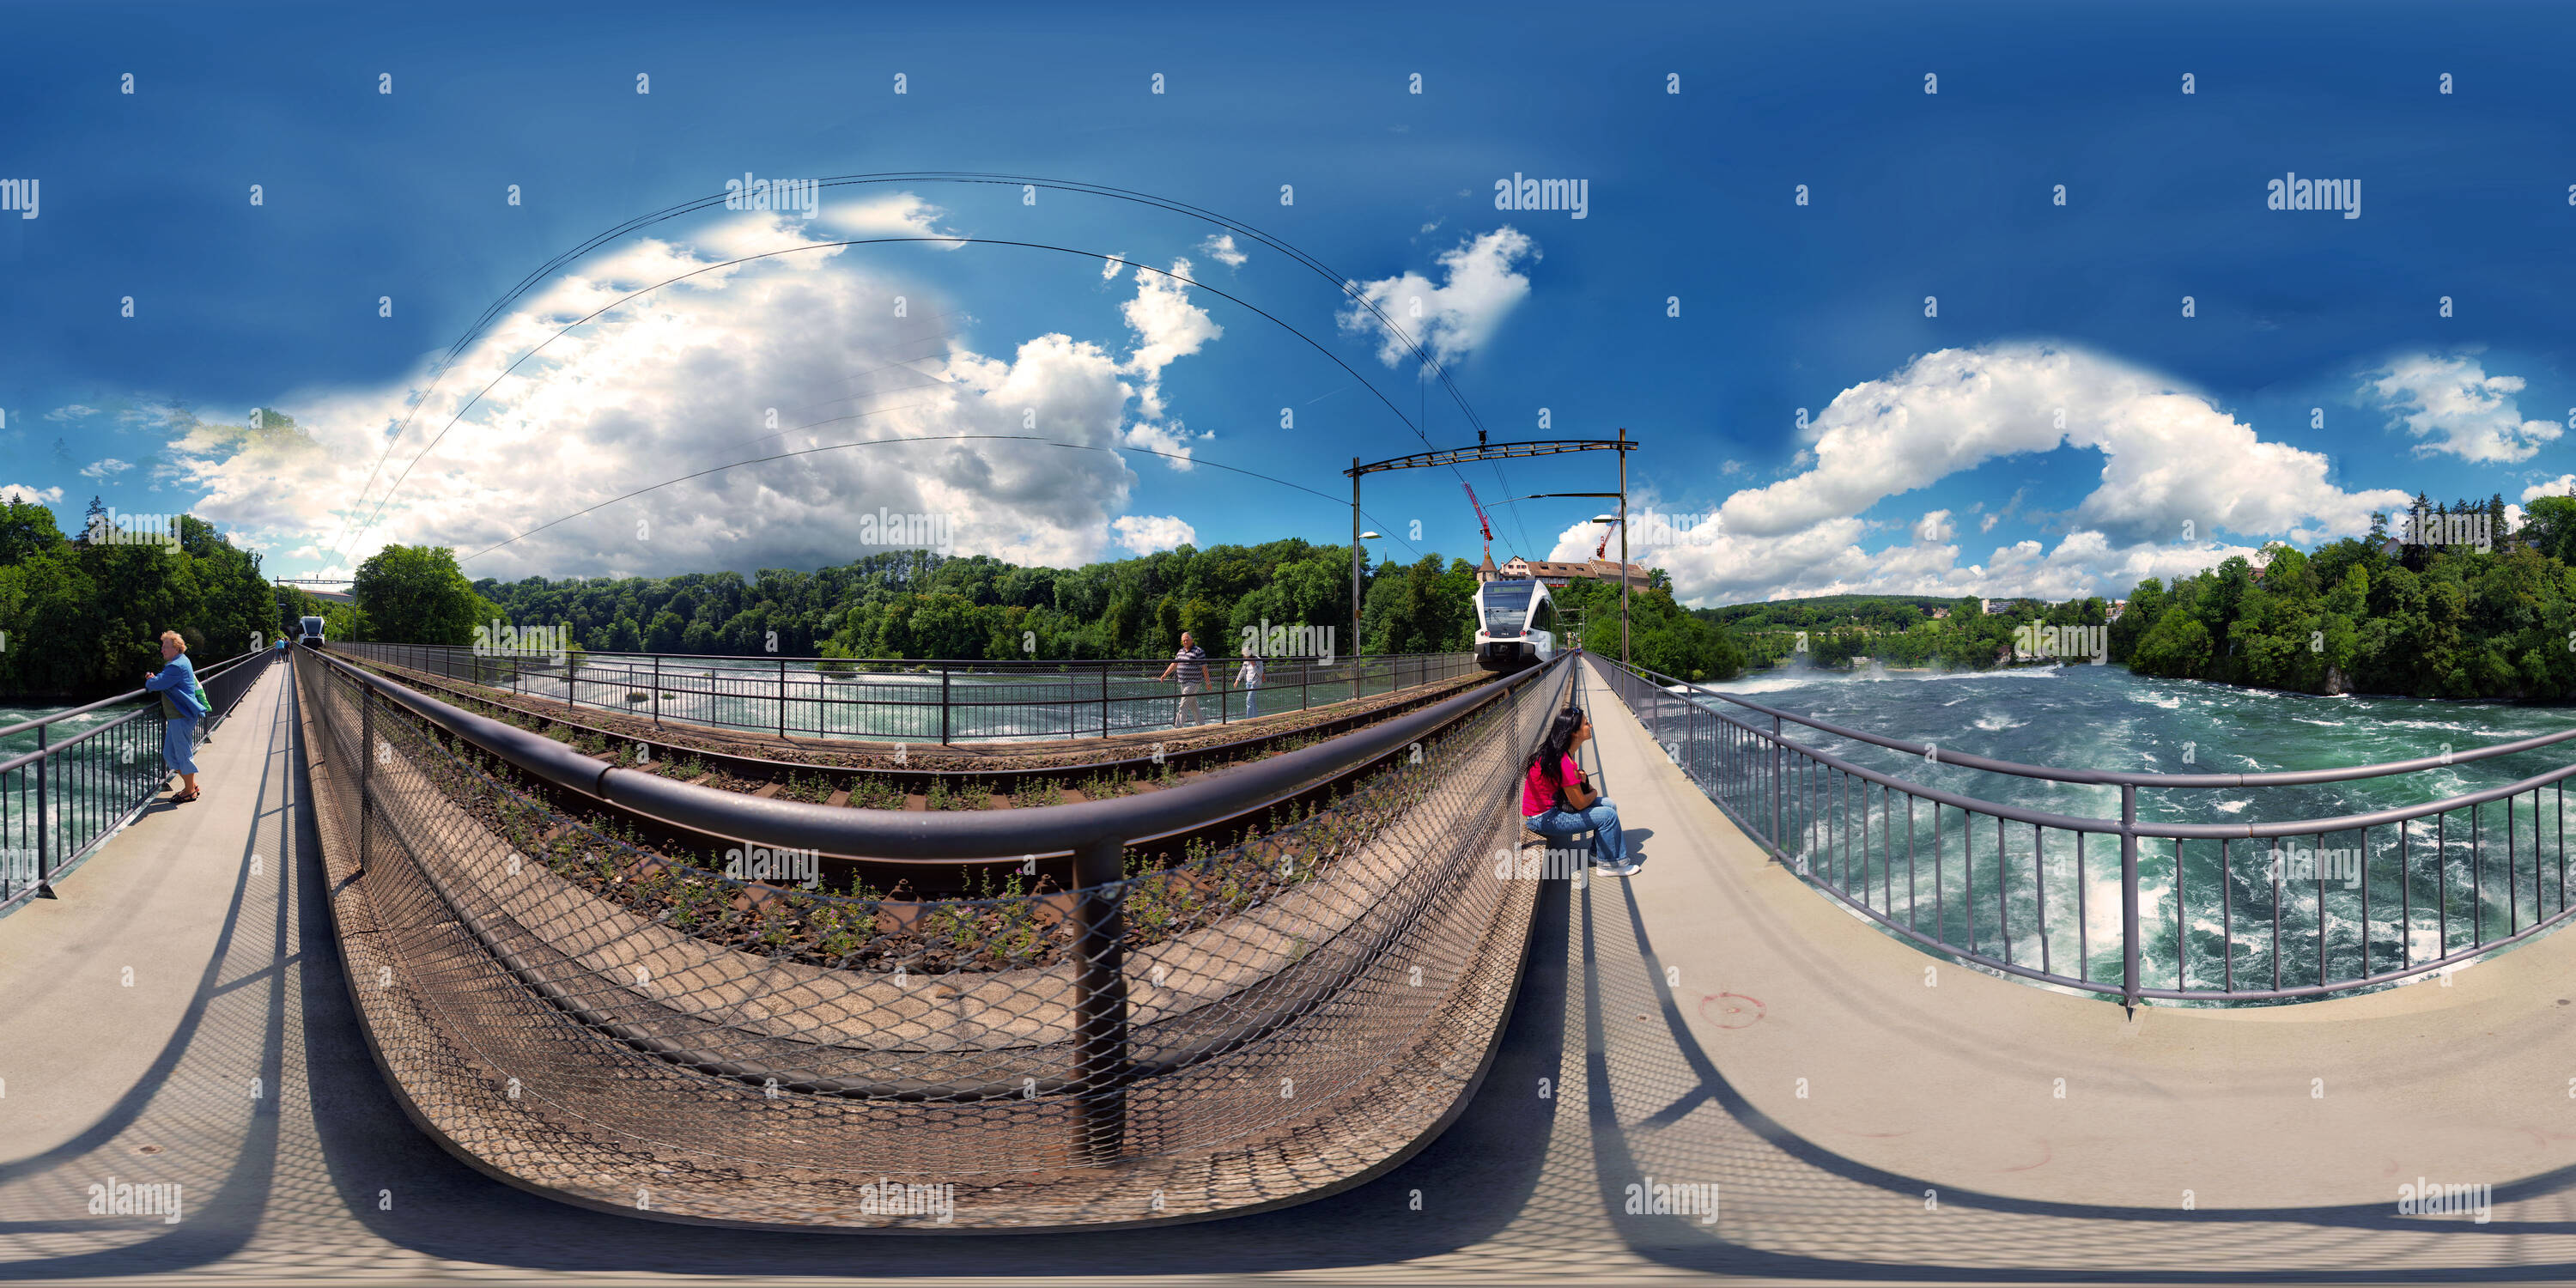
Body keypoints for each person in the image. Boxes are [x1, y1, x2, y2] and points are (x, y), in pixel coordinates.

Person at [1523, 705, 1635, 876]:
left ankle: (1597, 854)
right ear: (1574, 732)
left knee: (1609, 805)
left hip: (1551, 808)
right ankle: (1611, 865)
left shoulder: (1561, 753)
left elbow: (1575, 790)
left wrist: (1583, 783)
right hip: (1542, 819)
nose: (1590, 726)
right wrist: (1594, 792)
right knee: (1608, 816)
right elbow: (1581, 803)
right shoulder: (1564, 762)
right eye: (1586, 724)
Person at [143, 629, 209, 804]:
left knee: (182, 754)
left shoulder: (176, 666)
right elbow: (165, 680)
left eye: (165, 647)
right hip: (177, 716)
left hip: (181, 715)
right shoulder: (180, 662)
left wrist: (150, 679)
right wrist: (157, 680)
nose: (162, 650)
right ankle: (191, 785)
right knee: (169, 754)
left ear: (176, 648)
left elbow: (157, 683)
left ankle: (189, 791)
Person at [1157, 632, 1212, 728]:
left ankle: (1177, 728)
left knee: (1183, 705)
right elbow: (1174, 664)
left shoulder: (1198, 651)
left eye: (1187, 640)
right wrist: (1165, 674)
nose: (1185, 642)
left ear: (1192, 640)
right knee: (1193, 705)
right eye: (1183, 640)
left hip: (1194, 682)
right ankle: (1202, 726)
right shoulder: (1181, 651)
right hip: (1183, 682)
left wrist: (1208, 682)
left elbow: (1204, 668)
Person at [1236, 641, 1266, 719]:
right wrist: (1237, 680)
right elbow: (1243, 670)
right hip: (1248, 683)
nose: (1244, 657)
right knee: (1252, 701)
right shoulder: (1246, 660)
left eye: (1245, 655)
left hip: (1255, 683)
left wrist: (1254, 665)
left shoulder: (1258, 659)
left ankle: (1248, 720)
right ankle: (1256, 718)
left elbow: (1260, 673)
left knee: (1248, 700)